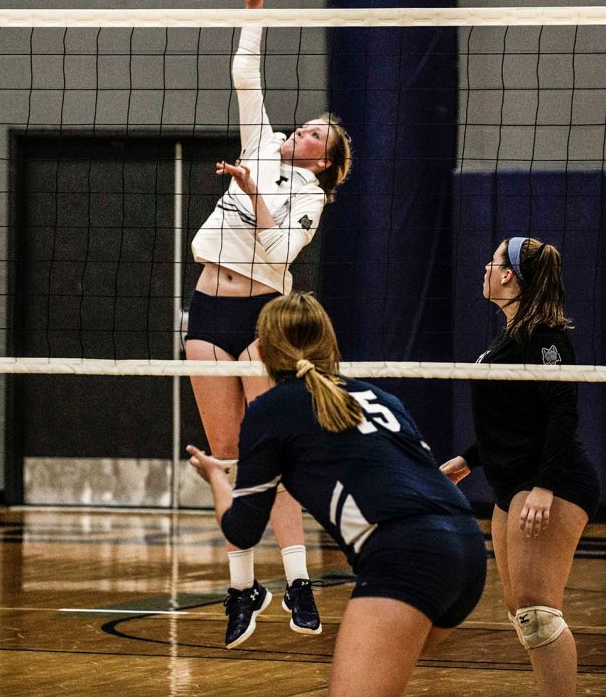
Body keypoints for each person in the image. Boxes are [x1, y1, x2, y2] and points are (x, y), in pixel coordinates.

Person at [188, 292, 487, 693]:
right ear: (329, 341)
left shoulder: (273, 409)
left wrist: (217, 478)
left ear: (263, 349)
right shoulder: (381, 397)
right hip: (468, 548)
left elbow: (243, 530)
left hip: (407, 557)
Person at [184, 0, 352, 648]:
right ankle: (240, 586)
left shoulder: (310, 197)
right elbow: (245, 75)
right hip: (205, 311)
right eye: (305, 126)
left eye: (316, 135)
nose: (302, 132)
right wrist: (256, 6)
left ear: (324, 163)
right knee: (226, 455)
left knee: (269, 454)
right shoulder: (260, 142)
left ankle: (298, 579)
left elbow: (279, 255)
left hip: (261, 324)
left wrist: (253, 193)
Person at [441, 236, 600, 697]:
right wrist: (470, 459)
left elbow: (561, 414)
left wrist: (545, 488)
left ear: (509, 275)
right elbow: (513, 416)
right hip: (512, 482)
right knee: (520, 611)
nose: (484, 269)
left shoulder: (546, 338)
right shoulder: (509, 335)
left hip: (555, 481)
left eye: (492, 262)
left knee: (537, 612)